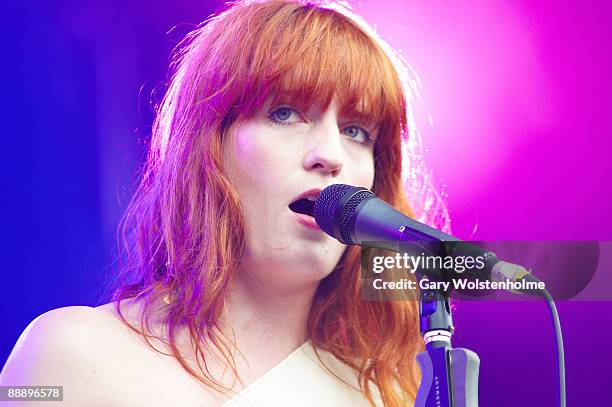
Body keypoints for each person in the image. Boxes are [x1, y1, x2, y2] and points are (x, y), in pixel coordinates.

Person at [1, 1, 449, 405]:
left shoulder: (386, 397)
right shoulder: (64, 355)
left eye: (357, 131)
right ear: (208, 146)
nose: (331, 156)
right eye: (284, 113)